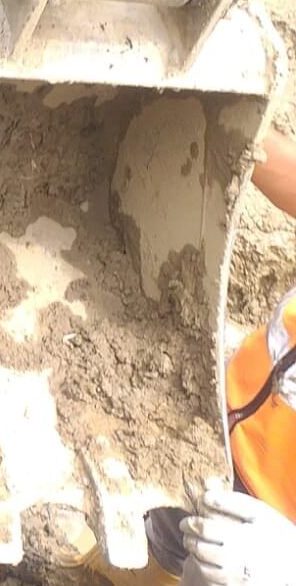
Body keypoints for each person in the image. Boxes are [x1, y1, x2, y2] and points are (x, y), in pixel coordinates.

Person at [74, 129, 296, 585]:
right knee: (169, 527)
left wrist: (285, 565)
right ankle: (130, 570)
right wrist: (233, 125)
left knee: (211, 570)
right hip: (222, 432)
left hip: (269, 532)